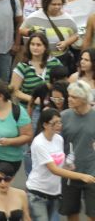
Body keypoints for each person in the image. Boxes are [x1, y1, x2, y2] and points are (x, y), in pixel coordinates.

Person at [27, 108, 95, 221]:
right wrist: (82, 176)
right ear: (45, 124)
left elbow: (59, 165)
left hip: (54, 193)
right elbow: (53, 169)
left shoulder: (58, 139)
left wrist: (68, 165)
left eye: (60, 122)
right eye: (54, 123)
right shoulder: (39, 143)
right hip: (37, 193)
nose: (59, 125)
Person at [60, 80, 95, 221]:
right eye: (69, 95)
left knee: (93, 214)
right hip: (70, 173)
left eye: (74, 97)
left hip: (92, 172)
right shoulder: (63, 117)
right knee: (72, 212)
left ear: (84, 99)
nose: (69, 99)